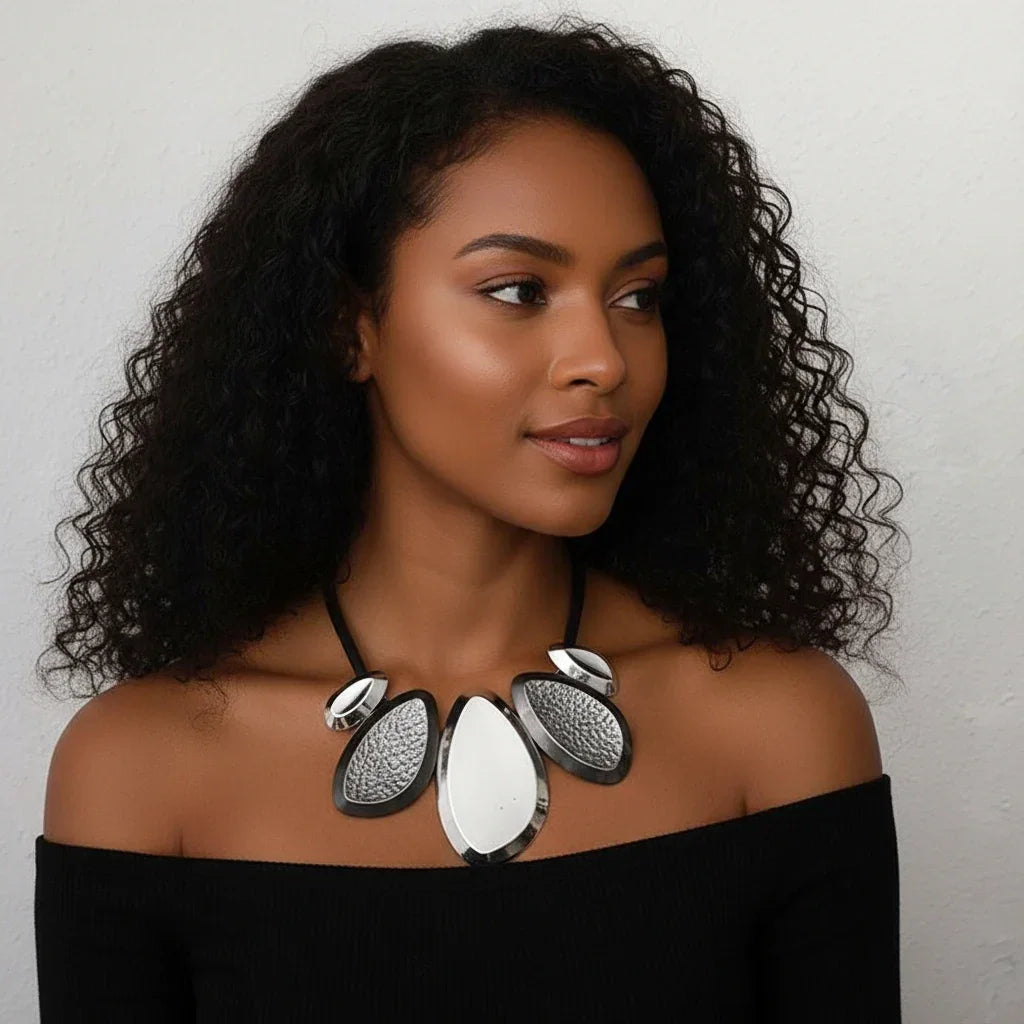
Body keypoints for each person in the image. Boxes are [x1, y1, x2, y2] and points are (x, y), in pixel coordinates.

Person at [33, 16, 906, 1022]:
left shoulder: (778, 726)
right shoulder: (141, 769)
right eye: (519, 290)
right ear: (351, 327)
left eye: (638, 296)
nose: (604, 359)